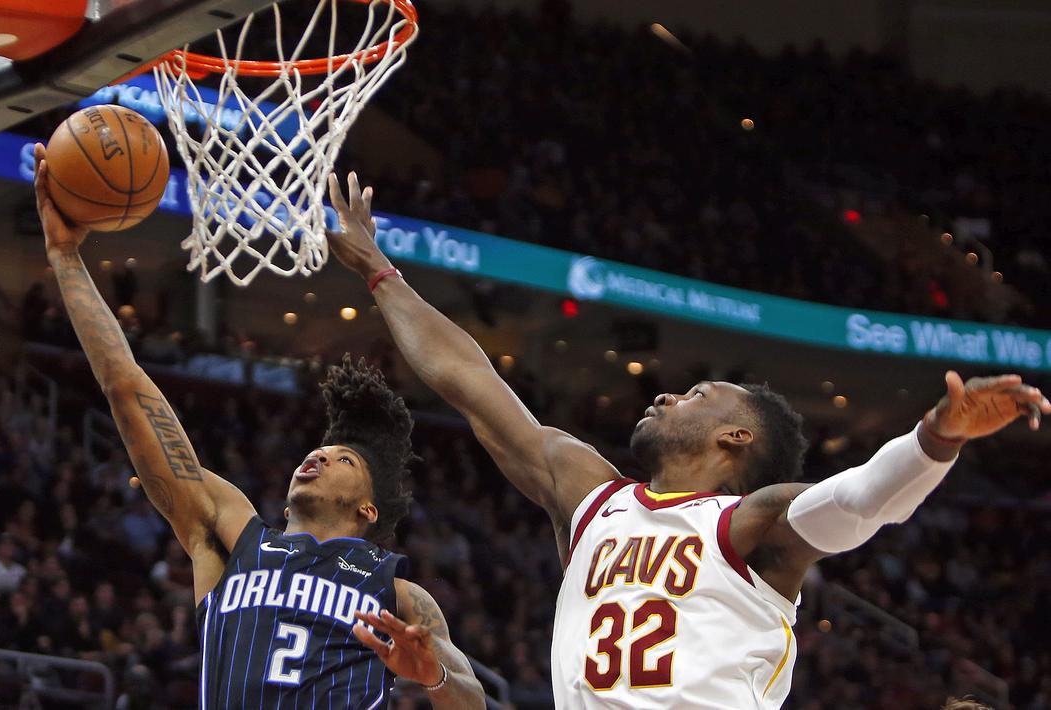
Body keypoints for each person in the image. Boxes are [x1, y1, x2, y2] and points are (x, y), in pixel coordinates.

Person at [326, 172, 1051, 709]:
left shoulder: (753, 525)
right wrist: (380, 273)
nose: (669, 393)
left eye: (697, 395)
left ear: (736, 437)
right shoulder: (588, 493)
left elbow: (862, 503)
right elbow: (466, 378)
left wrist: (937, 436)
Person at [32, 144, 485, 709]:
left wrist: (436, 677)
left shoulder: (399, 596)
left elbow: (473, 702)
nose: (318, 457)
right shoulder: (229, 539)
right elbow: (125, 385)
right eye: (321, 450)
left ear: (367, 509)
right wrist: (64, 255)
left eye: (342, 459)